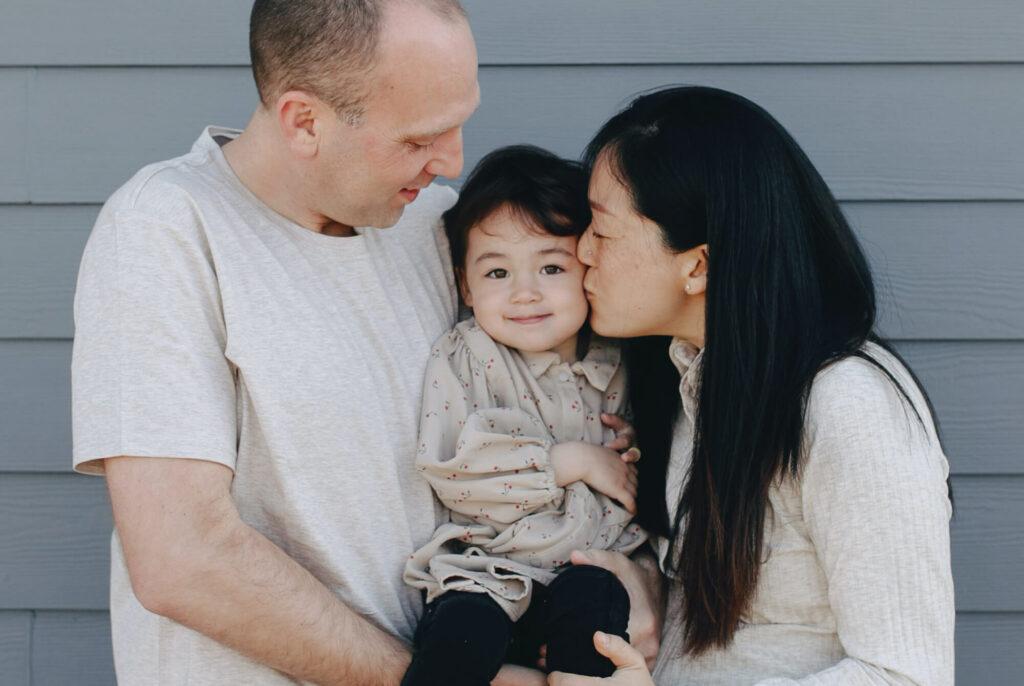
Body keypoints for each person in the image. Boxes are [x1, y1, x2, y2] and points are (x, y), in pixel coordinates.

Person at [70, 1, 496, 684]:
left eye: (461, 121)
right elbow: (183, 557)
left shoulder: (442, 232)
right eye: (420, 140)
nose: (452, 161)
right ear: (304, 121)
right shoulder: (167, 229)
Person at [549, 86, 955, 685]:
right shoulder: (687, 383)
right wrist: (648, 587)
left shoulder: (845, 406)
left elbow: (906, 675)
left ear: (699, 266)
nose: (581, 251)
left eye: (602, 232)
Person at [400, 146, 647, 686]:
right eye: (496, 272)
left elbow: (641, 482)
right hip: (491, 568)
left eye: (552, 266)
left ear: (589, 265)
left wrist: (631, 447)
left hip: (587, 566)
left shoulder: (618, 360)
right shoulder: (467, 357)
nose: (525, 292)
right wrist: (573, 460)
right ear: (466, 286)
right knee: (463, 630)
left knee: (597, 611)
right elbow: (454, 472)